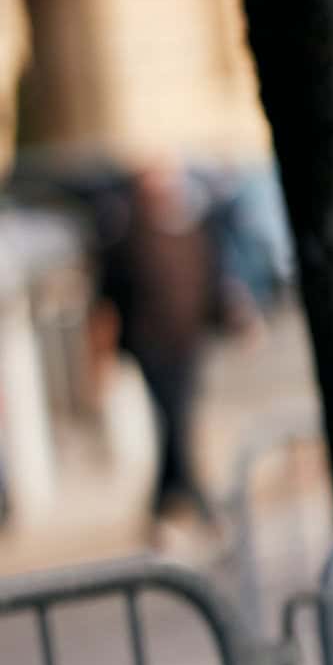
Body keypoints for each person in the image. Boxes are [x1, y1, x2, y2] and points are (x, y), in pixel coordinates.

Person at [93, 159, 251, 550]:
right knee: (175, 425)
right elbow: (107, 303)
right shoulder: (126, 240)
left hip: (188, 345)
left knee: (177, 427)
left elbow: (211, 285)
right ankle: (201, 509)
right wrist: (102, 356)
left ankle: (169, 510)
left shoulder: (192, 231)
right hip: (152, 348)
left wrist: (232, 318)